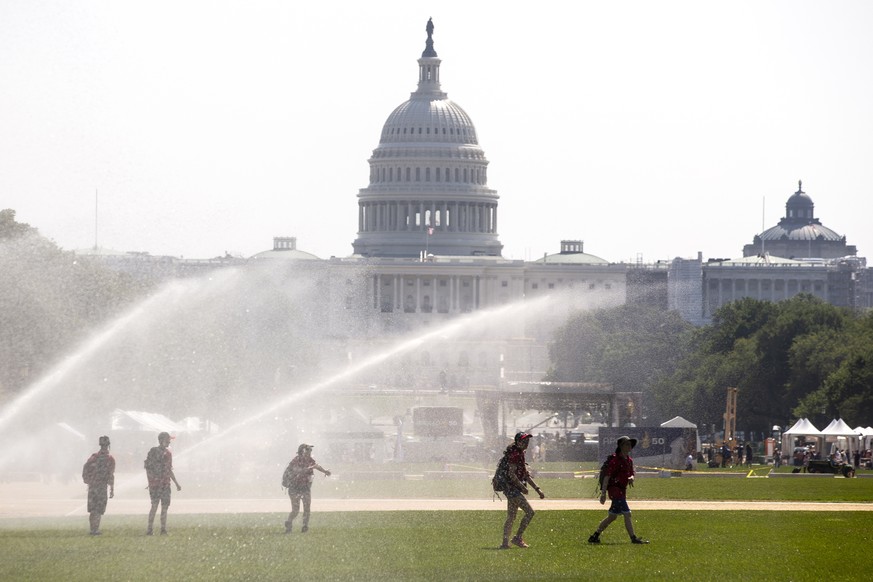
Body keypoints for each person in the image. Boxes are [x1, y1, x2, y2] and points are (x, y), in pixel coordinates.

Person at [588, 435, 649, 545]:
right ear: (621, 446)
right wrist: (603, 494)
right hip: (615, 491)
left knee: (612, 517)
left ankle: (595, 536)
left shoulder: (629, 460)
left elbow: (631, 474)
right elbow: (607, 477)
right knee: (627, 514)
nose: (629, 446)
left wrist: (631, 478)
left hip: (622, 490)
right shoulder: (615, 460)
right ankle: (633, 538)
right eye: (627, 444)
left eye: (630, 444)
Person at [499, 432, 544, 549]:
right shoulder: (515, 454)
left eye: (527, 441)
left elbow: (526, 475)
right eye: (524, 441)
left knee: (511, 517)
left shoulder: (519, 453)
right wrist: (522, 487)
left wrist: (537, 490)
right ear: (518, 442)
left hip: (511, 490)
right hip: (513, 490)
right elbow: (511, 473)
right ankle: (517, 538)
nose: (526, 443)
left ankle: (505, 543)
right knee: (530, 512)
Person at [283, 443, 331, 533]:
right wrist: (307, 468)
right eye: (308, 450)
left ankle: (305, 526)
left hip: (305, 488)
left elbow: (316, 466)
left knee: (307, 508)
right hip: (294, 488)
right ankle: (289, 522)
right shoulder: (296, 460)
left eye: (310, 450)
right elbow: (296, 471)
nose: (310, 452)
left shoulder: (309, 460)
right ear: (302, 451)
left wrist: (325, 471)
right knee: (295, 510)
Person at [145, 431, 181, 535]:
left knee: (159, 506)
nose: (169, 442)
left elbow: (167, 470)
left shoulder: (160, 452)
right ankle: (157, 529)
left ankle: (156, 529)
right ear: (161, 441)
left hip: (160, 484)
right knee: (159, 507)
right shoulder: (160, 453)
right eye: (167, 440)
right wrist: (151, 481)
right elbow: (166, 470)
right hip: (160, 485)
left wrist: (176, 483)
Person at [82, 435, 115, 535]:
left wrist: (88, 480)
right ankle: (96, 529)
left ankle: (92, 529)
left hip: (92, 486)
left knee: (93, 509)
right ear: (108, 444)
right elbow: (111, 475)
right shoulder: (110, 459)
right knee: (99, 509)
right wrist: (112, 489)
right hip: (102, 486)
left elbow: (85, 468)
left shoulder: (93, 457)